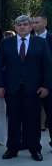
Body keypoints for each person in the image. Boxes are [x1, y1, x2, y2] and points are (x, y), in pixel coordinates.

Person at [0, 15, 52, 161]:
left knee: (33, 120)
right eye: (19, 24)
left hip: (34, 89)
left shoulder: (41, 42)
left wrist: (46, 86)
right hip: (12, 88)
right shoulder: (6, 43)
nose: (22, 27)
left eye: (25, 24)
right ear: (15, 26)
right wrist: (0, 86)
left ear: (31, 26)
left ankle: (35, 149)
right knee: (13, 119)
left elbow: (47, 66)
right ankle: (12, 149)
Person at [32, 14, 52, 149]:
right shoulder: (29, 39)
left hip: (48, 83)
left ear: (44, 24)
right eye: (32, 22)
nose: (34, 25)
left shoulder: (50, 39)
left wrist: (47, 83)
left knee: (50, 113)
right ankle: (29, 142)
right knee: (30, 114)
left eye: (37, 22)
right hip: (30, 83)